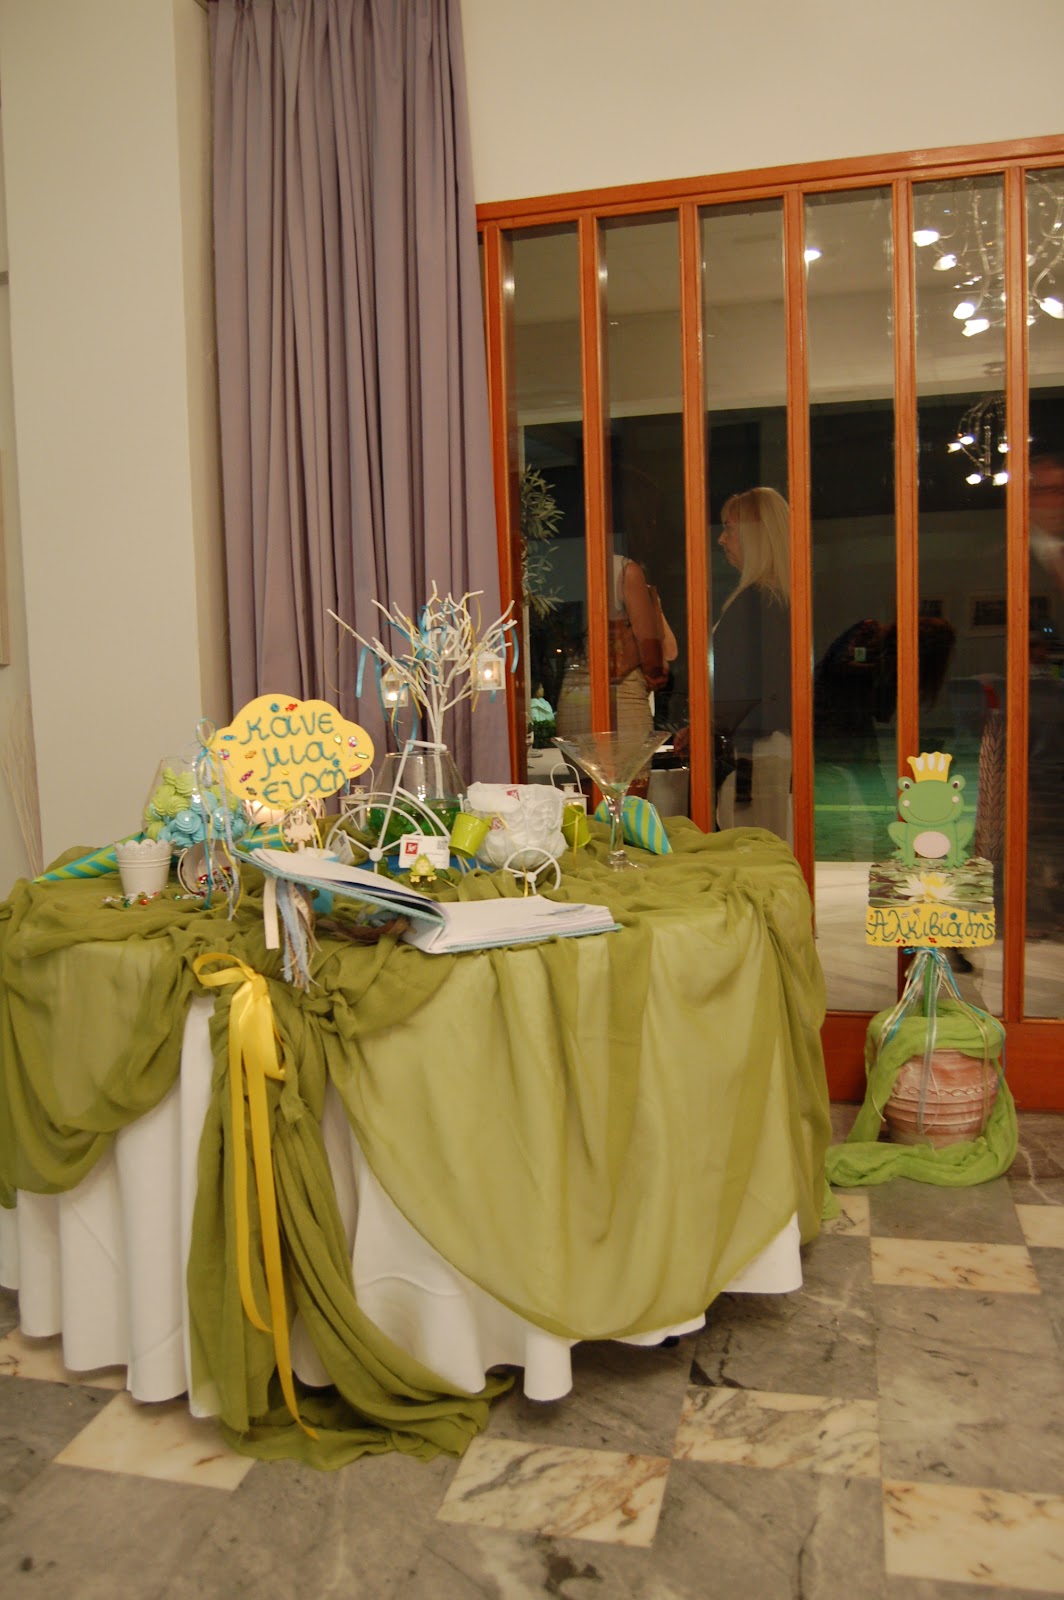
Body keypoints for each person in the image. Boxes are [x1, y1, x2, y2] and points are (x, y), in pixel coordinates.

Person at [711, 487, 791, 815]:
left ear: (756, 536)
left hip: (756, 755)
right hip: (767, 750)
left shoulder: (756, 602)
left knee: (753, 838)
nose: (721, 539)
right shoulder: (778, 599)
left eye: (729, 529)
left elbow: (743, 689)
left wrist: (709, 726)